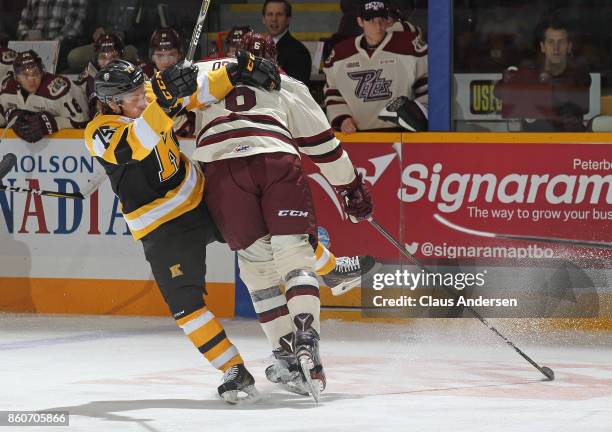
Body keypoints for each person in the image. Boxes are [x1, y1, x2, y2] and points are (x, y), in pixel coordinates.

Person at [83, 55, 281, 403]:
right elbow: (136, 144)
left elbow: (201, 90)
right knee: (186, 307)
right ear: (112, 101)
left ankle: (329, 268)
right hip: (162, 228)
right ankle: (233, 369)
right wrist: (165, 100)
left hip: (200, 196)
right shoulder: (98, 131)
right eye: (132, 96)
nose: (141, 98)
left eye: (141, 91)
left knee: (271, 225)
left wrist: (237, 71)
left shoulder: (146, 93)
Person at [191, 33, 374, 402]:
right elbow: (323, 145)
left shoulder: (203, 73)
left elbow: (155, 103)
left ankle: (287, 354)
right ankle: (308, 339)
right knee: (295, 256)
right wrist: (350, 187)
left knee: (258, 269)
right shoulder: (286, 81)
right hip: (275, 157)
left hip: (223, 171)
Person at [323, 1, 428, 133]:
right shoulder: (340, 54)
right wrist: (342, 118)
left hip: (402, 133)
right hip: (359, 136)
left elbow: (427, 85)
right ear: (360, 22)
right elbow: (333, 92)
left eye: (381, 20)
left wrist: (420, 112)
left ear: (388, 21)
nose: (378, 26)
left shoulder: (408, 46)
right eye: (371, 20)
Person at [494, 19, 591, 132]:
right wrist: (506, 81)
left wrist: (547, 83)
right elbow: (498, 93)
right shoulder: (530, 69)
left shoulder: (578, 73)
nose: (556, 48)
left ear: (569, 46)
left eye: (561, 42)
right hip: (535, 141)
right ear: (543, 47)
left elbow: (573, 99)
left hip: (569, 142)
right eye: (551, 42)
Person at [0, 50, 89, 141]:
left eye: (35, 73)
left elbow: (83, 122)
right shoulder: (7, 88)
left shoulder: (58, 89)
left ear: (42, 72)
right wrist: (11, 114)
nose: (31, 80)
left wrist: (52, 123)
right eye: (25, 75)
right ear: (16, 77)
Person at [141, 28, 195, 137]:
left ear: (179, 55)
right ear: (152, 57)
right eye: (160, 55)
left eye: (171, 54)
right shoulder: (141, 75)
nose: (166, 61)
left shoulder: (189, 72)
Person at [16, 0, 88, 72]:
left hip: (63, 44)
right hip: (34, 43)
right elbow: (23, 22)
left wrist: (49, 44)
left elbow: (73, 27)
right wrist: (25, 36)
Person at [74, 33, 125, 119]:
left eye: (113, 57)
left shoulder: (132, 70)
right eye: (103, 58)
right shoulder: (89, 76)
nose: (108, 63)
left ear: (121, 57)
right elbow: (96, 111)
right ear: (96, 59)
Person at [261, 0, 312, 84]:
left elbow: (296, 89)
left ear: (288, 19)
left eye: (279, 14)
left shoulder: (299, 51)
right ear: (263, 19)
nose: (274, 19)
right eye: (270, 14)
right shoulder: (257, 47)